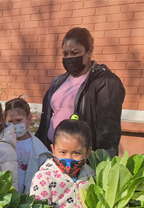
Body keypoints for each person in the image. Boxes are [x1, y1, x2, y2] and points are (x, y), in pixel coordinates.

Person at [36, 27, 125, 157]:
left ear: (89, 51)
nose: (69, 58)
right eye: (65, 54)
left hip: (79, 159)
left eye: (75, 52)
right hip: (52, 153)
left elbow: (108, 133)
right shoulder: (59, 81)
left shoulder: (105, 82)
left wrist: (102, 164)